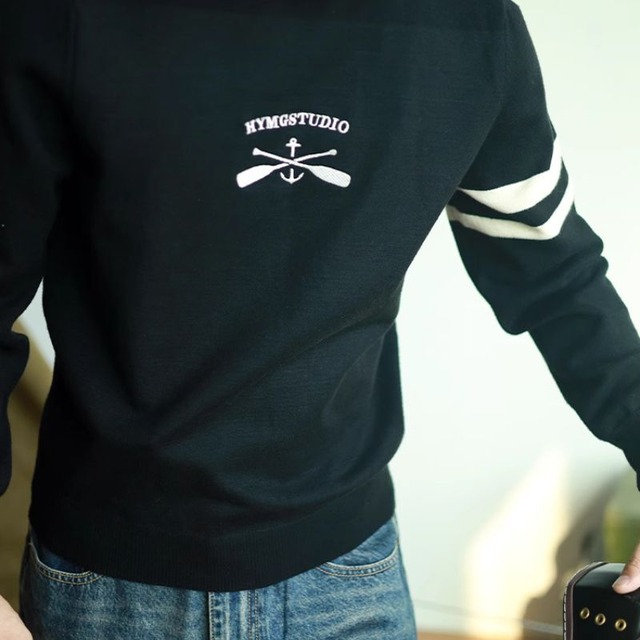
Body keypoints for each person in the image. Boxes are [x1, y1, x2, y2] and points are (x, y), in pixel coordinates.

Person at [1, 0, 640, 638]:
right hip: (108, 583)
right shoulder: (63, 18)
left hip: (350, 575)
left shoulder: (470, 26)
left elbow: (557, 276)